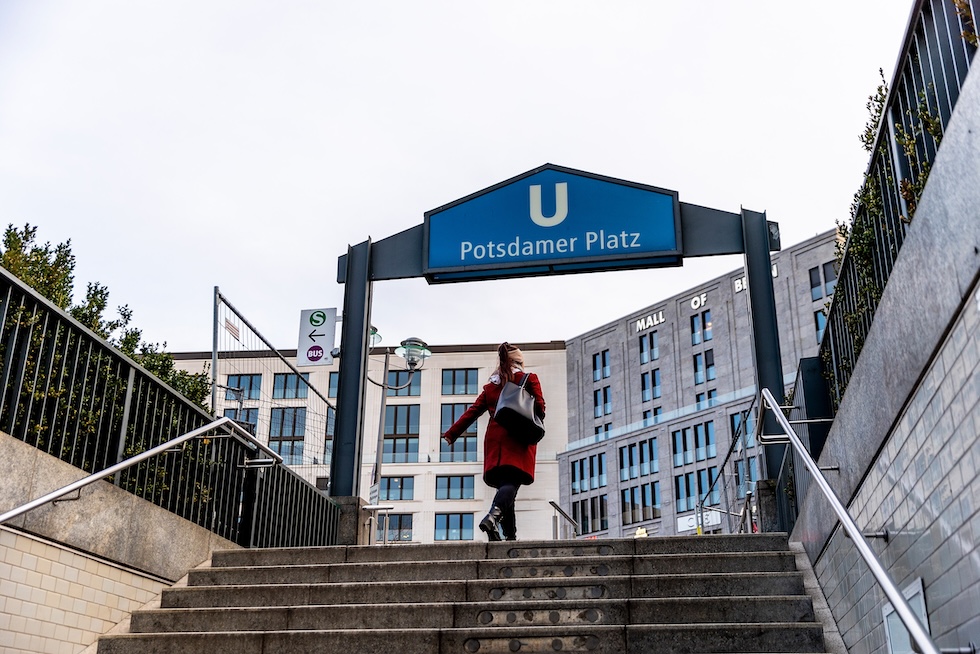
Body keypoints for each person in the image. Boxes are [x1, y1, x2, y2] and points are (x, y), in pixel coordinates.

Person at [442, 342, 545, 541]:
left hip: (495, 442)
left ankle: (510, 536)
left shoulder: (492, 386)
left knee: (506, 487)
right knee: (512, 483)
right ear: (519, 361)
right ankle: (492, 516)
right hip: (517, 439)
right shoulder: (529, 378)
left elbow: (472, 411)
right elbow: (540, 407)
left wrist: (451, 434)